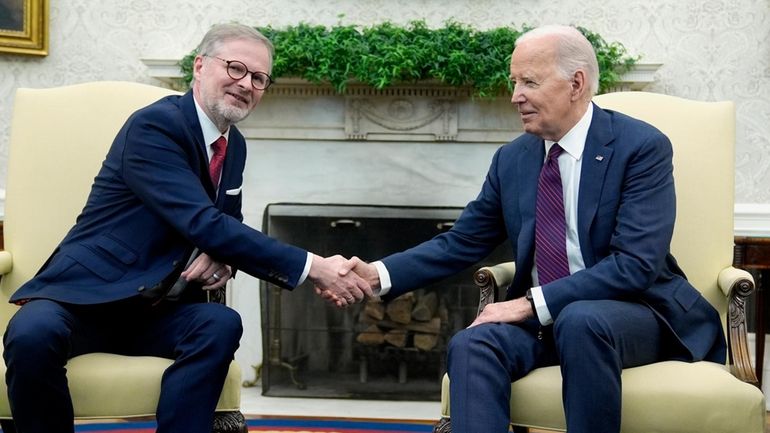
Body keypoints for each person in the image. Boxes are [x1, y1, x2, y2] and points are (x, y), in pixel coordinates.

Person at [336, 25, 726, 433]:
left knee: (580, 320)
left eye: (529, 82)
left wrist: (527, 304)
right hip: (547, 323)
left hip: (637, 313)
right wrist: (376, 274)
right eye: (514, 81)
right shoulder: (513, 159)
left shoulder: (639, 147)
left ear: (575, 84)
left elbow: (636, 264)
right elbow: (461, 241)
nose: (514, 96)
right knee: (472, 344)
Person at [2, 23, 370, 433]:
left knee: (220, 324)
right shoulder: (154, 127)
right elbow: (202, 221)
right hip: (88, 297)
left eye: (258, 77)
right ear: (199, 66)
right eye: (234, 68)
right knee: (32, 332)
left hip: (160, 309)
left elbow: (224, 222)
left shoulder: (234, 145)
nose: (246, 83)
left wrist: (221, 255)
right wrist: (314, 266)